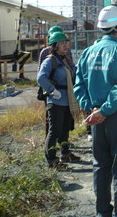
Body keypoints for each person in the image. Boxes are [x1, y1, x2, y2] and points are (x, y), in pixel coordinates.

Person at [74, 6, 117, 217]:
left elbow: (79, 85)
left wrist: (92, 109)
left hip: (95, 117)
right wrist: (104, 110)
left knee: (100, 165)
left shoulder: (87, 53)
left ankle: (102, 212)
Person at [38, 31, 80, 169]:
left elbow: (75, 71)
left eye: (66, 42)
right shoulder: (50, 60)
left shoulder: (65, 60)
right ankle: (51, 160)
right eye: (62, 43)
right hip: (55, 101)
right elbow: (41, 78)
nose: (65, 45)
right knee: (54, 131)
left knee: (65, 130)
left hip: (67, 100)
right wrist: (51, 90)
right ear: (55, 45)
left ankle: (65, 153)